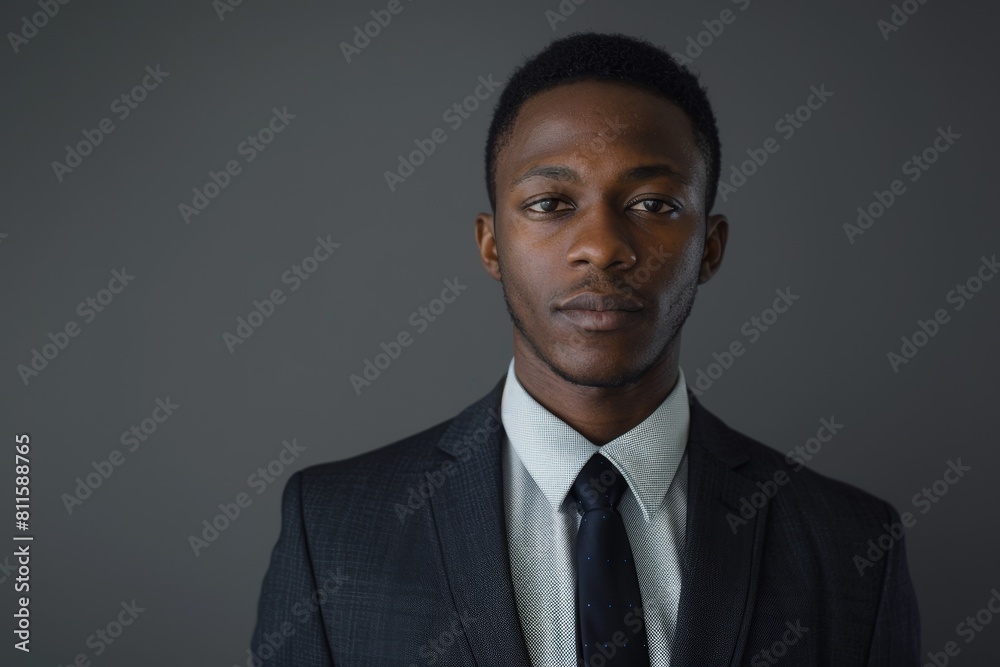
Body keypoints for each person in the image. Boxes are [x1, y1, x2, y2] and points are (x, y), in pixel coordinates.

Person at [250, 31, 920, 666]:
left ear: (710, 248)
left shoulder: (852, 545)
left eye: (654, 204)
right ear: (491, 245)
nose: (601, 246)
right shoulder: (332, 529)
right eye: (550, 203)